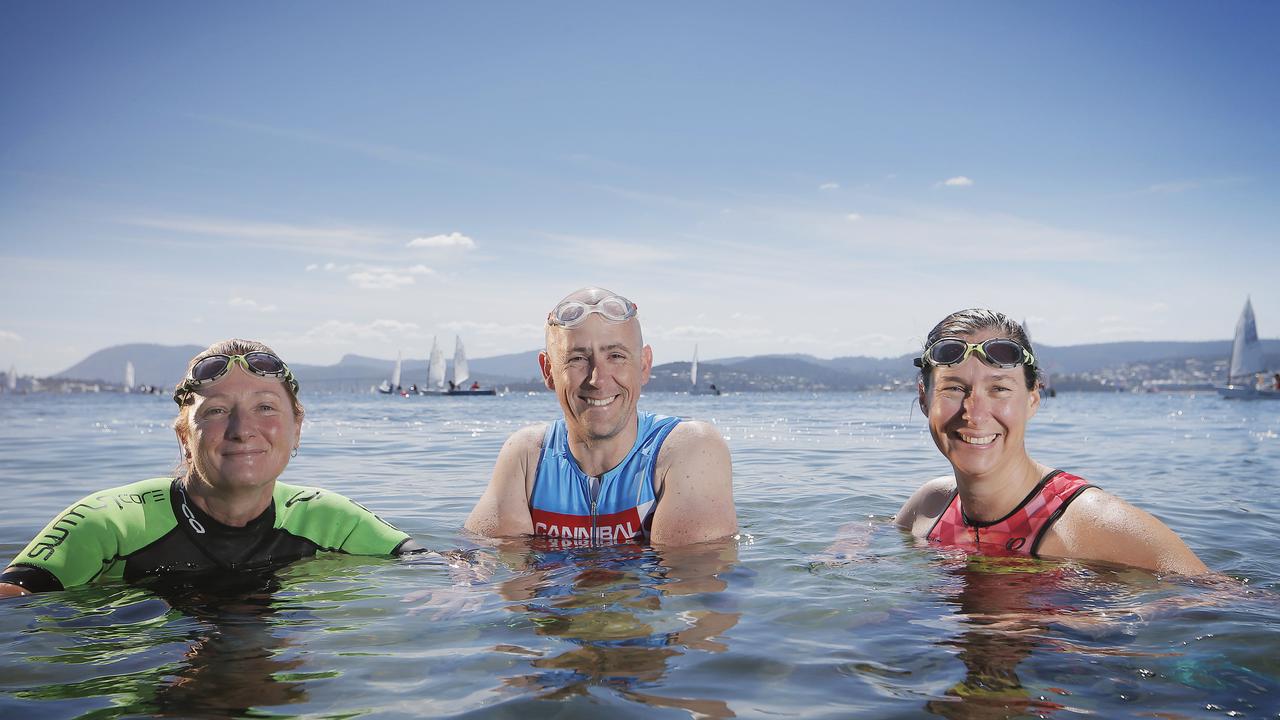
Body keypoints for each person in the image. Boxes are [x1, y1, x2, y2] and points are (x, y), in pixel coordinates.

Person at [0, 339, 422, 597]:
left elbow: (436, 568)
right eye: (218, 410)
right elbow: (15, 600)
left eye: (265, 407)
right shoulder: (110, 523)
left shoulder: (329, 517)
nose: (243, 430)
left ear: (297, 430)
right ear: (185, 436)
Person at [895, 309, 1207, 575]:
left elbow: (1223, 601)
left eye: (999, 389)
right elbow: (879, 529)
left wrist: (1118, 621)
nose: (974, 413)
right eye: (954, 388)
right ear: (925, 399)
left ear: (1032, 399)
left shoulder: (1092, 522)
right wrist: (851, 540)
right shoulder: (931, 504)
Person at [465, 287, 736, 546]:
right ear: (548, 370)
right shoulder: (528, 456)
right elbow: (482, 569)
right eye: (577, 359)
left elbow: (692, 582)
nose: (597, 379)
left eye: (616, 356)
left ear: (643, 365)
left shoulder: (689, 448)